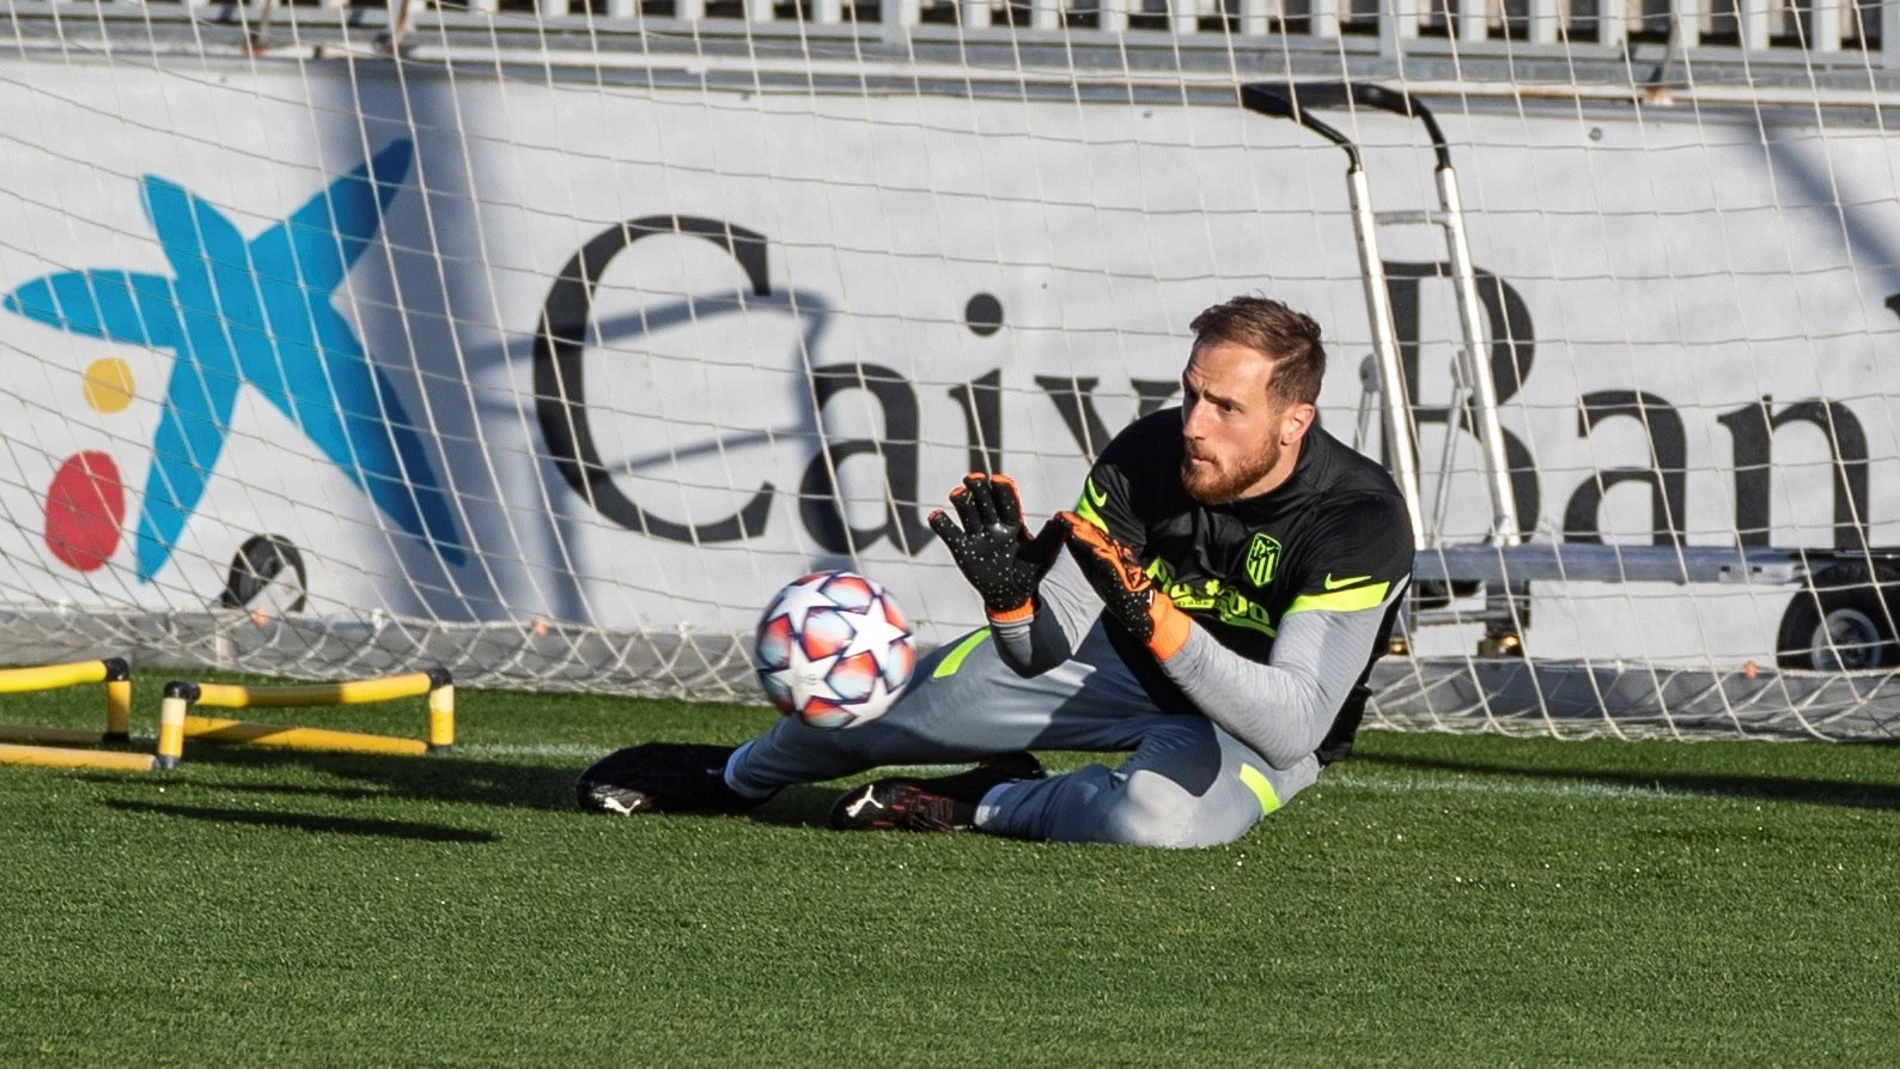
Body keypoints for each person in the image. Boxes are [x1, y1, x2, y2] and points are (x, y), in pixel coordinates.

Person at [576, 295, 1414, 848]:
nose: (1195, 424)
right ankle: (734, 778)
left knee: (1156, 824)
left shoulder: (1359, 520)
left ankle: (985, 801)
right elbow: (1037, 651)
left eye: (1227, 408)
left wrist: (1158, 619)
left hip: (1248, 723)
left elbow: (1294, 722)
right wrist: (1012, 602)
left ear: (1294, 420)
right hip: (1119, 670)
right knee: (863, 699)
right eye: (1192, 392)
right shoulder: (1147, 454)